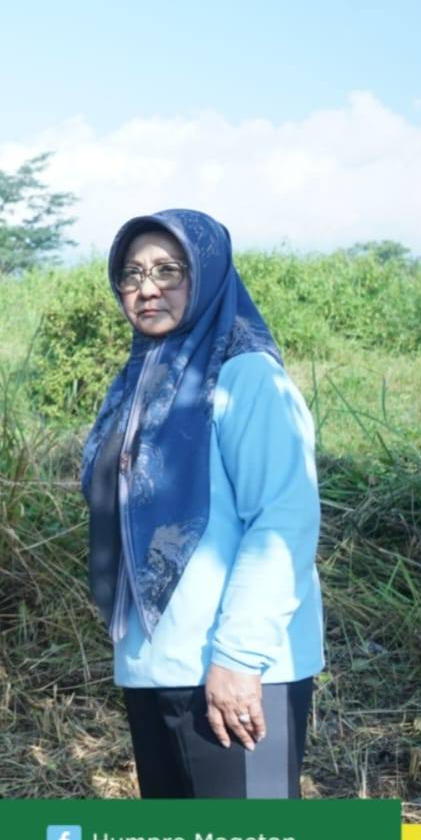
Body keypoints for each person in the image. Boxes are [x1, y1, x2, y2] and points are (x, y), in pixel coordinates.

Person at [81, 209, 324, 799]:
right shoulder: (142, 378)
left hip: (239, 669)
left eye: (169, 269)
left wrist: (239, 660)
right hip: (157, 663)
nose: (147, 287)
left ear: (208, 274)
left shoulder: (247, 377)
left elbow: (282, 519)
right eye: (132, 273)